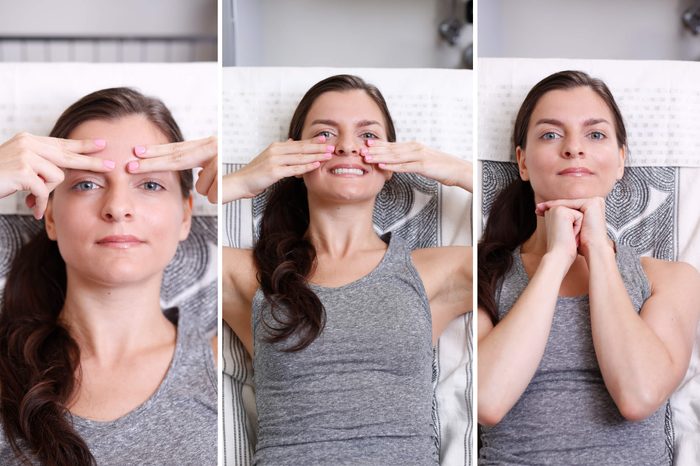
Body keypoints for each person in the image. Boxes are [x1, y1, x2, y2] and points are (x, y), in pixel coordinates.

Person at [222, 74, 473, 464]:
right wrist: (240, 183)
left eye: (369, 136)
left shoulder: (432, 272)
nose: (347, 146)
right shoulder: (253, 275)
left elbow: (533, 253)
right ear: (292, 158)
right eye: (324, 135)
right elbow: (141, 257)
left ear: (392, 162)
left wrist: (453, 170)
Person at [477, 70, 700, 464]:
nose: (573, 148)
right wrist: (556, 258)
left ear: (620, 161)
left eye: (595, 134)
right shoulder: (482, 274)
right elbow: (487, 401)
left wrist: (597, 247)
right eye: (550, 134)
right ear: (523, 162)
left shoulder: (672, 279)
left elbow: (638, 396)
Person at [0, 87, 217, 466]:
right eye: (87, 183)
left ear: (185, 216)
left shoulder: (224, 360)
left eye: (150, 184)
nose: (117, 208)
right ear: (50, 215)